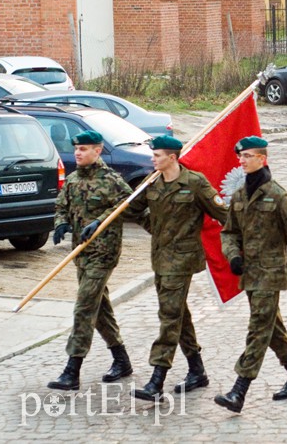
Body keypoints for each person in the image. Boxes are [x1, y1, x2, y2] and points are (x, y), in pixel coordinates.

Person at [215, 136, 287, 413]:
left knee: (258, 329)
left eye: (247, 156)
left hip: (271, 273)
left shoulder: (278, 195)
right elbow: (229, 232)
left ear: (262, 159)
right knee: (273, 329)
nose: (242, 161)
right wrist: (232, 255)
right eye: (240, 157)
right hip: (249, 275)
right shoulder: (240, 195)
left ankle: (239, 390)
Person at [127, 135, 229, 401]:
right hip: (160, 259)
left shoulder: (194, 183)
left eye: (157, 155)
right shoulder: (152, 184)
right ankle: (197, 370)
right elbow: (129, 211)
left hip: (182, 260)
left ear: (172, 157)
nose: (153, 159)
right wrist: (101, 219)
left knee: (169, 317)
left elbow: (224, 215)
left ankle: (156, 380)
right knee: (178, 314)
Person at [48, 130, 134, 391]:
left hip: (103, 254)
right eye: (76, 148)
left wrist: (100, 220)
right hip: (81, 255)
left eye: (84, 149)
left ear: (97, 151)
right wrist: (61, 223)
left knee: (85, 306)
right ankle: (122, 360)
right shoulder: (73, 179)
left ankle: (72, 370)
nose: (78, 152)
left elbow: (127, 205)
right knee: (99, 309)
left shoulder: (112, 181)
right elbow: (61, 206)